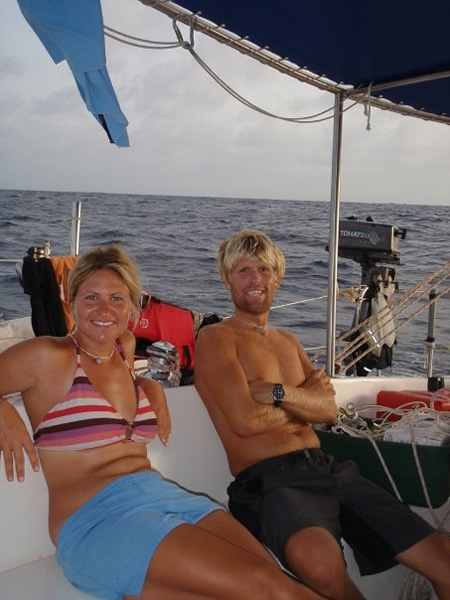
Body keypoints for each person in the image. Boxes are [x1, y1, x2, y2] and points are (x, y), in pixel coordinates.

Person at [0, 244, 325, 600]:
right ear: (72, 299)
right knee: (269, 589)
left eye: (117, 299)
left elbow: (113, 381)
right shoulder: (48, 355)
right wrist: (4, 412)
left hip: (162, 497)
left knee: (271, 576)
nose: (104, 310)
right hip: (97, 518)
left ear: (133, 307)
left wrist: (147, 384)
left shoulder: (124, 347)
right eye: (91, 297)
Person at [194, 228, 450, 600]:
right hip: (271, 481)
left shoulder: (288, 342)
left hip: (326, 467)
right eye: (244, 271)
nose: (255, 280)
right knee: (321, 567)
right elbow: (246, 422)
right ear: (227, 279)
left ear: (277, 278)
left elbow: (329, 411)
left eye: (264, 270)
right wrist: (304, 402)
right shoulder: (217, 338)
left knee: (443, 559)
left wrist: (280, 394)